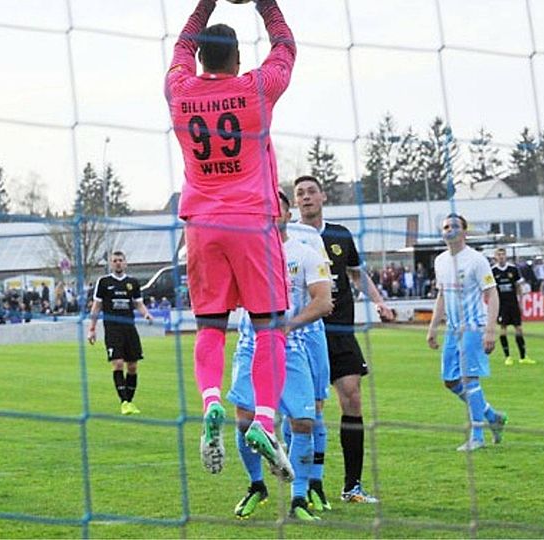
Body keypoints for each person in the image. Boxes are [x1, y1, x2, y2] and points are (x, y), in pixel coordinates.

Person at [165, 0, 296, 478]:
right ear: (237, 61)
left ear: (200, 59)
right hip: (252, 224)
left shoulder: (179, 90)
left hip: (201, 226)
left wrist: (206, 1)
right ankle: (263, 419)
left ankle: (211, 401)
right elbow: (285, 45)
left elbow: (180, 43)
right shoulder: (256, 89)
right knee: (269, 328)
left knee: (210, 328)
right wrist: (265, 3)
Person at [228, 192, 334, 521]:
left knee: (302, 422)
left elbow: (323, 301)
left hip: (293, 347)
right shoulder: (245, 255)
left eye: (275, 210)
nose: (269, 216)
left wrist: (289, 325)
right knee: (245, 421)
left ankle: (298, 497)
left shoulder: (305, 254)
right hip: (251, 344)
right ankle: (256, 485)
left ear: (287, 215)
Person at [294, 175, 395, 506]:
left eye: (311, 191)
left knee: (352, 399)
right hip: (306, 333)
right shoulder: (290, 237)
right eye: (300, 194)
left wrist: (379, 301)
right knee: (308, 411)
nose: (306, 197)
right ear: (295, 202)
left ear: (323, 197)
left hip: (340, 332)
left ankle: (352, 486)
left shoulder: (340, 235)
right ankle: (308, 485)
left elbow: (356, 273)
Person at [426, 214, 508, 451]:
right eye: (445, 226)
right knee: (450, 381)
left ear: (464, 232)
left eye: (454, 226)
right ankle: (493, 417)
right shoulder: (440, 261)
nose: (449, 230)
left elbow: (492, 293)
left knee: (469, 378)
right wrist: (433, 327)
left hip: (473, 326)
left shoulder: (476, 260)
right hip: (453, 328)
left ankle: (477, 437)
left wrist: (490, 331)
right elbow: (441, 295)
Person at [88, 251, 154, 415]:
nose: (118, 263)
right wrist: (92, 328)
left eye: (120, 260)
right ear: (111, 264)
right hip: (112, 329)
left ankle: (129, 402)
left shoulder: (132, 283)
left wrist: (146, 313)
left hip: (129, 328)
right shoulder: (104, 282)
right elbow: (97, 306)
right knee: (117, 363)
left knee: (132, 366)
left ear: (125, 263)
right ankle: (124, 402)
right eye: (115, 261)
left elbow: (138, 304)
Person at [492, 248, 535, 366]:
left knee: (519, 329)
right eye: (499, 255)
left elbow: (518, 286)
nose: (501, 257)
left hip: (513, 304)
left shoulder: (513, 269)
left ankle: (523, 356)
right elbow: (491, 290)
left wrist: (520, 301)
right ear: (495, 257)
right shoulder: (493, 271)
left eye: (503, 254)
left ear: (506, 256)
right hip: (501, 305)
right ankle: (508, 357)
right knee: (503, 329)